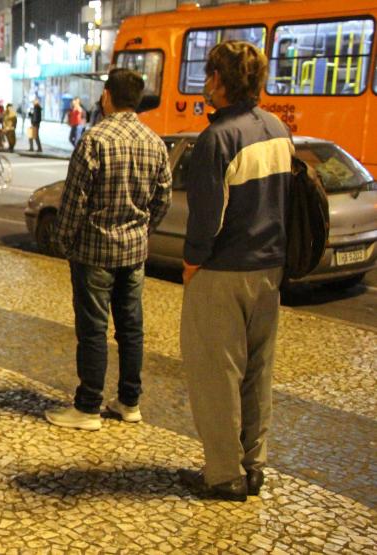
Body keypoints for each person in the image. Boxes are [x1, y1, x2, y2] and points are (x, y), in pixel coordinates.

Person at [177, 41, 292, 502]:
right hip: (270, 268)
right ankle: (253, 465)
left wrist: (192, 263)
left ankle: (224, 474)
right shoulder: (277, 129)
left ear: (221, 81)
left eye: (210, 75)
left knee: (217, 372)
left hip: (224, 271)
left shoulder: (218, 138)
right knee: (257, 370)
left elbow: (207, 217)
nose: (207, 83)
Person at [45, 68, 172, 432]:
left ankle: (88, 407)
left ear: (107, 96)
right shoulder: (154, 142)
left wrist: (64, 242)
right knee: (131, 329)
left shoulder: (94, 140)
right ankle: (130, 402)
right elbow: (162, 198)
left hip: (94, 252)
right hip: (134, 253)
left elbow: (74, 201)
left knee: (93, 330)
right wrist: (142, 230)